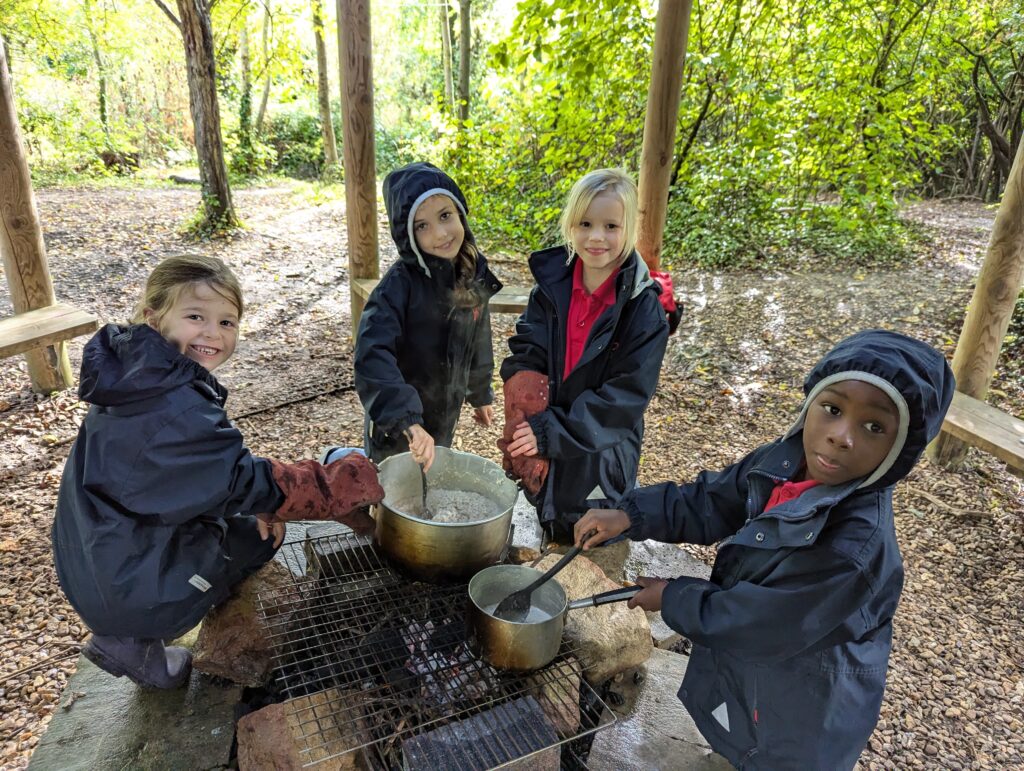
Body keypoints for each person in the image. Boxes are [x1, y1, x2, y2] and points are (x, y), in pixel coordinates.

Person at [574, 329, 955, 769]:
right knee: (741, 734)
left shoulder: (852, 548)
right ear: (810, 402)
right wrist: (631, 516)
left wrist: (673, 597)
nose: (840, 436)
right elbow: (712, 500)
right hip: (759, 675)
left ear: (899, 449)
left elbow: (759, 624)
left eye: (874, 427)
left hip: (806, 700)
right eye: (832, 409)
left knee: (772, 754)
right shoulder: (782, 463)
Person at [52, 254, 384, 690]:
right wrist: (333, 484)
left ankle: (134, 633)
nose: (213, 333)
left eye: (227, 322)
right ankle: (135, 636)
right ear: (153, 317)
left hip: (94, 558)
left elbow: (193, 476)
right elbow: (237, 480)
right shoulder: (173, 409)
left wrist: (262, 499)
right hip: (125, 586)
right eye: (196, 316)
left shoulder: (135, 375)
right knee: (259, 535)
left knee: (254, 515)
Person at [499, 168, 669, 546]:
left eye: (611, 226)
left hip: (601, 454)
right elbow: (528, 346)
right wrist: (522, 401)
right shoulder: (550, 289)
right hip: (548, 443)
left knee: (591, 542)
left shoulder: (643, 310)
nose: (596, 237)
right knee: (550, 523)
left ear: (629, 229)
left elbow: (624, 399)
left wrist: (549, 432)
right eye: (586, 223)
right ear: (570, 224)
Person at [352, 162, 502, 472]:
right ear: (406, 234)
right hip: (397, 424)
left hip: (444, 413)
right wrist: (407, 421)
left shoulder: (471, 272)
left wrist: (480, 392)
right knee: (391, 487)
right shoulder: (395, 290)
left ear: (460, 212)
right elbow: (372, 358)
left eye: (445, 216)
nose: (441, 233)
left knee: (429, 476)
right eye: (422, 225)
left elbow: (478, 337)